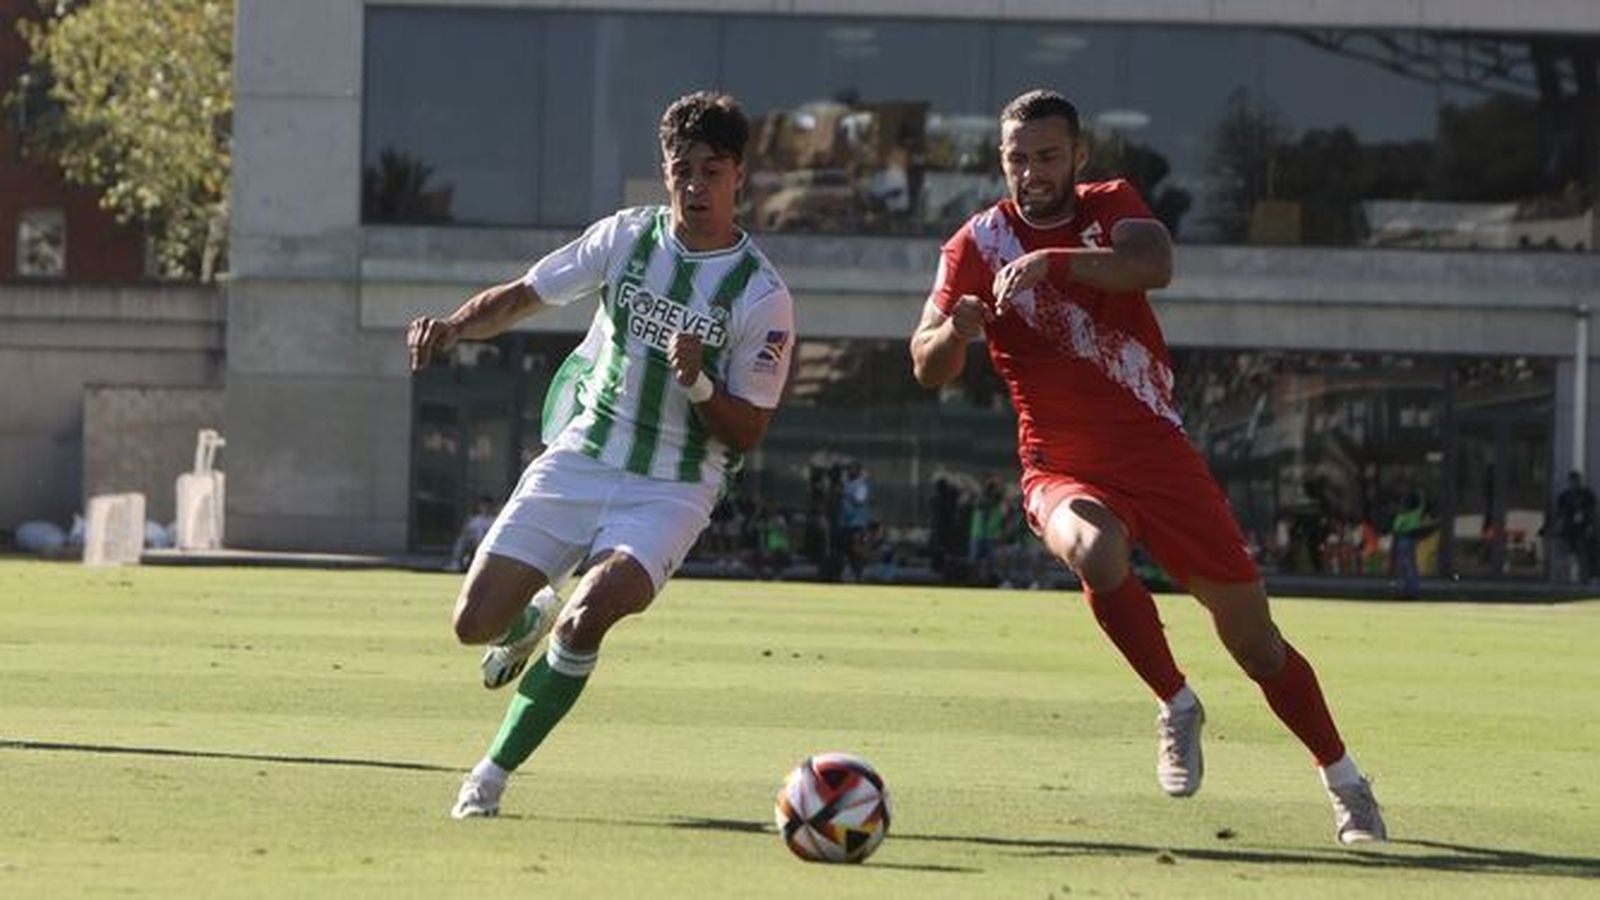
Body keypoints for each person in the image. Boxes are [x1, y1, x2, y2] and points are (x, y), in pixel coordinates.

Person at [908, 89, 1385, 844]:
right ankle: (1176, 702)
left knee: (1256, 644)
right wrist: (955, 335)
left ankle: (1345, 780)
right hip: (1057, 463)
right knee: (1096, 552)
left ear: (1078, 156)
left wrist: (1054, 261)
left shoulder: (1110, 205)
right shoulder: (974, 243)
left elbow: (1155, 265)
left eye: (1046, 156)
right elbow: (925, 364)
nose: (1030, 172)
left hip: (1160, 456)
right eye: (1016, 158)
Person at [407, 91, 795, 819]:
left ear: (739, 175)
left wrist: (701, 381)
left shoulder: (762, 296)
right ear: (665, 170)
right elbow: (525, 294)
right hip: (584, 454)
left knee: (588, 615)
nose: (695, 185)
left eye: (712, 170)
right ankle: (525, 620)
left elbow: (747, 433)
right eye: (682, 169)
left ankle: (488, 777)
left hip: (674, 486)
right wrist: (455, 327)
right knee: (472, 624)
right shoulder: (624, 237)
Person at [1553, 470, 1597, 583]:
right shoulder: (1564, 496)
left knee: (1584, 554)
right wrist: (1558, 526)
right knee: (1570, 554)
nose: (1574, 483)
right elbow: (1560, 514)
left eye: (1576, 481)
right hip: (1569, 529)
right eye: (1572, 481)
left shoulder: (1587, 495)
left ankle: (1586, 578)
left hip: (1583, 528)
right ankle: (1570, 578)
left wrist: (1591, 526)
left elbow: (1592, 512)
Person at [1390, 491, 1428, 599]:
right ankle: (1413, 589)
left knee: (1405, 566)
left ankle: (1406, 591)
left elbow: (1396, 531)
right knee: (1412, 565)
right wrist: (1420, 493)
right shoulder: (1416, 513)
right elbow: (1422, 504)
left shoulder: (1403, 516)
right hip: (1412, 540)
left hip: (1404, 540)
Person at [446, 496, 498, 573]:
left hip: (489, 546)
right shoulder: (474, 519)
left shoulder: (495, 520)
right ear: (479, 507)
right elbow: (466, 533)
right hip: (474, 544)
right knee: (461, 540)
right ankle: (456, 563)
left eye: (487, 506)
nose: (485, 508)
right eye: (483, 506)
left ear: (491, 507)